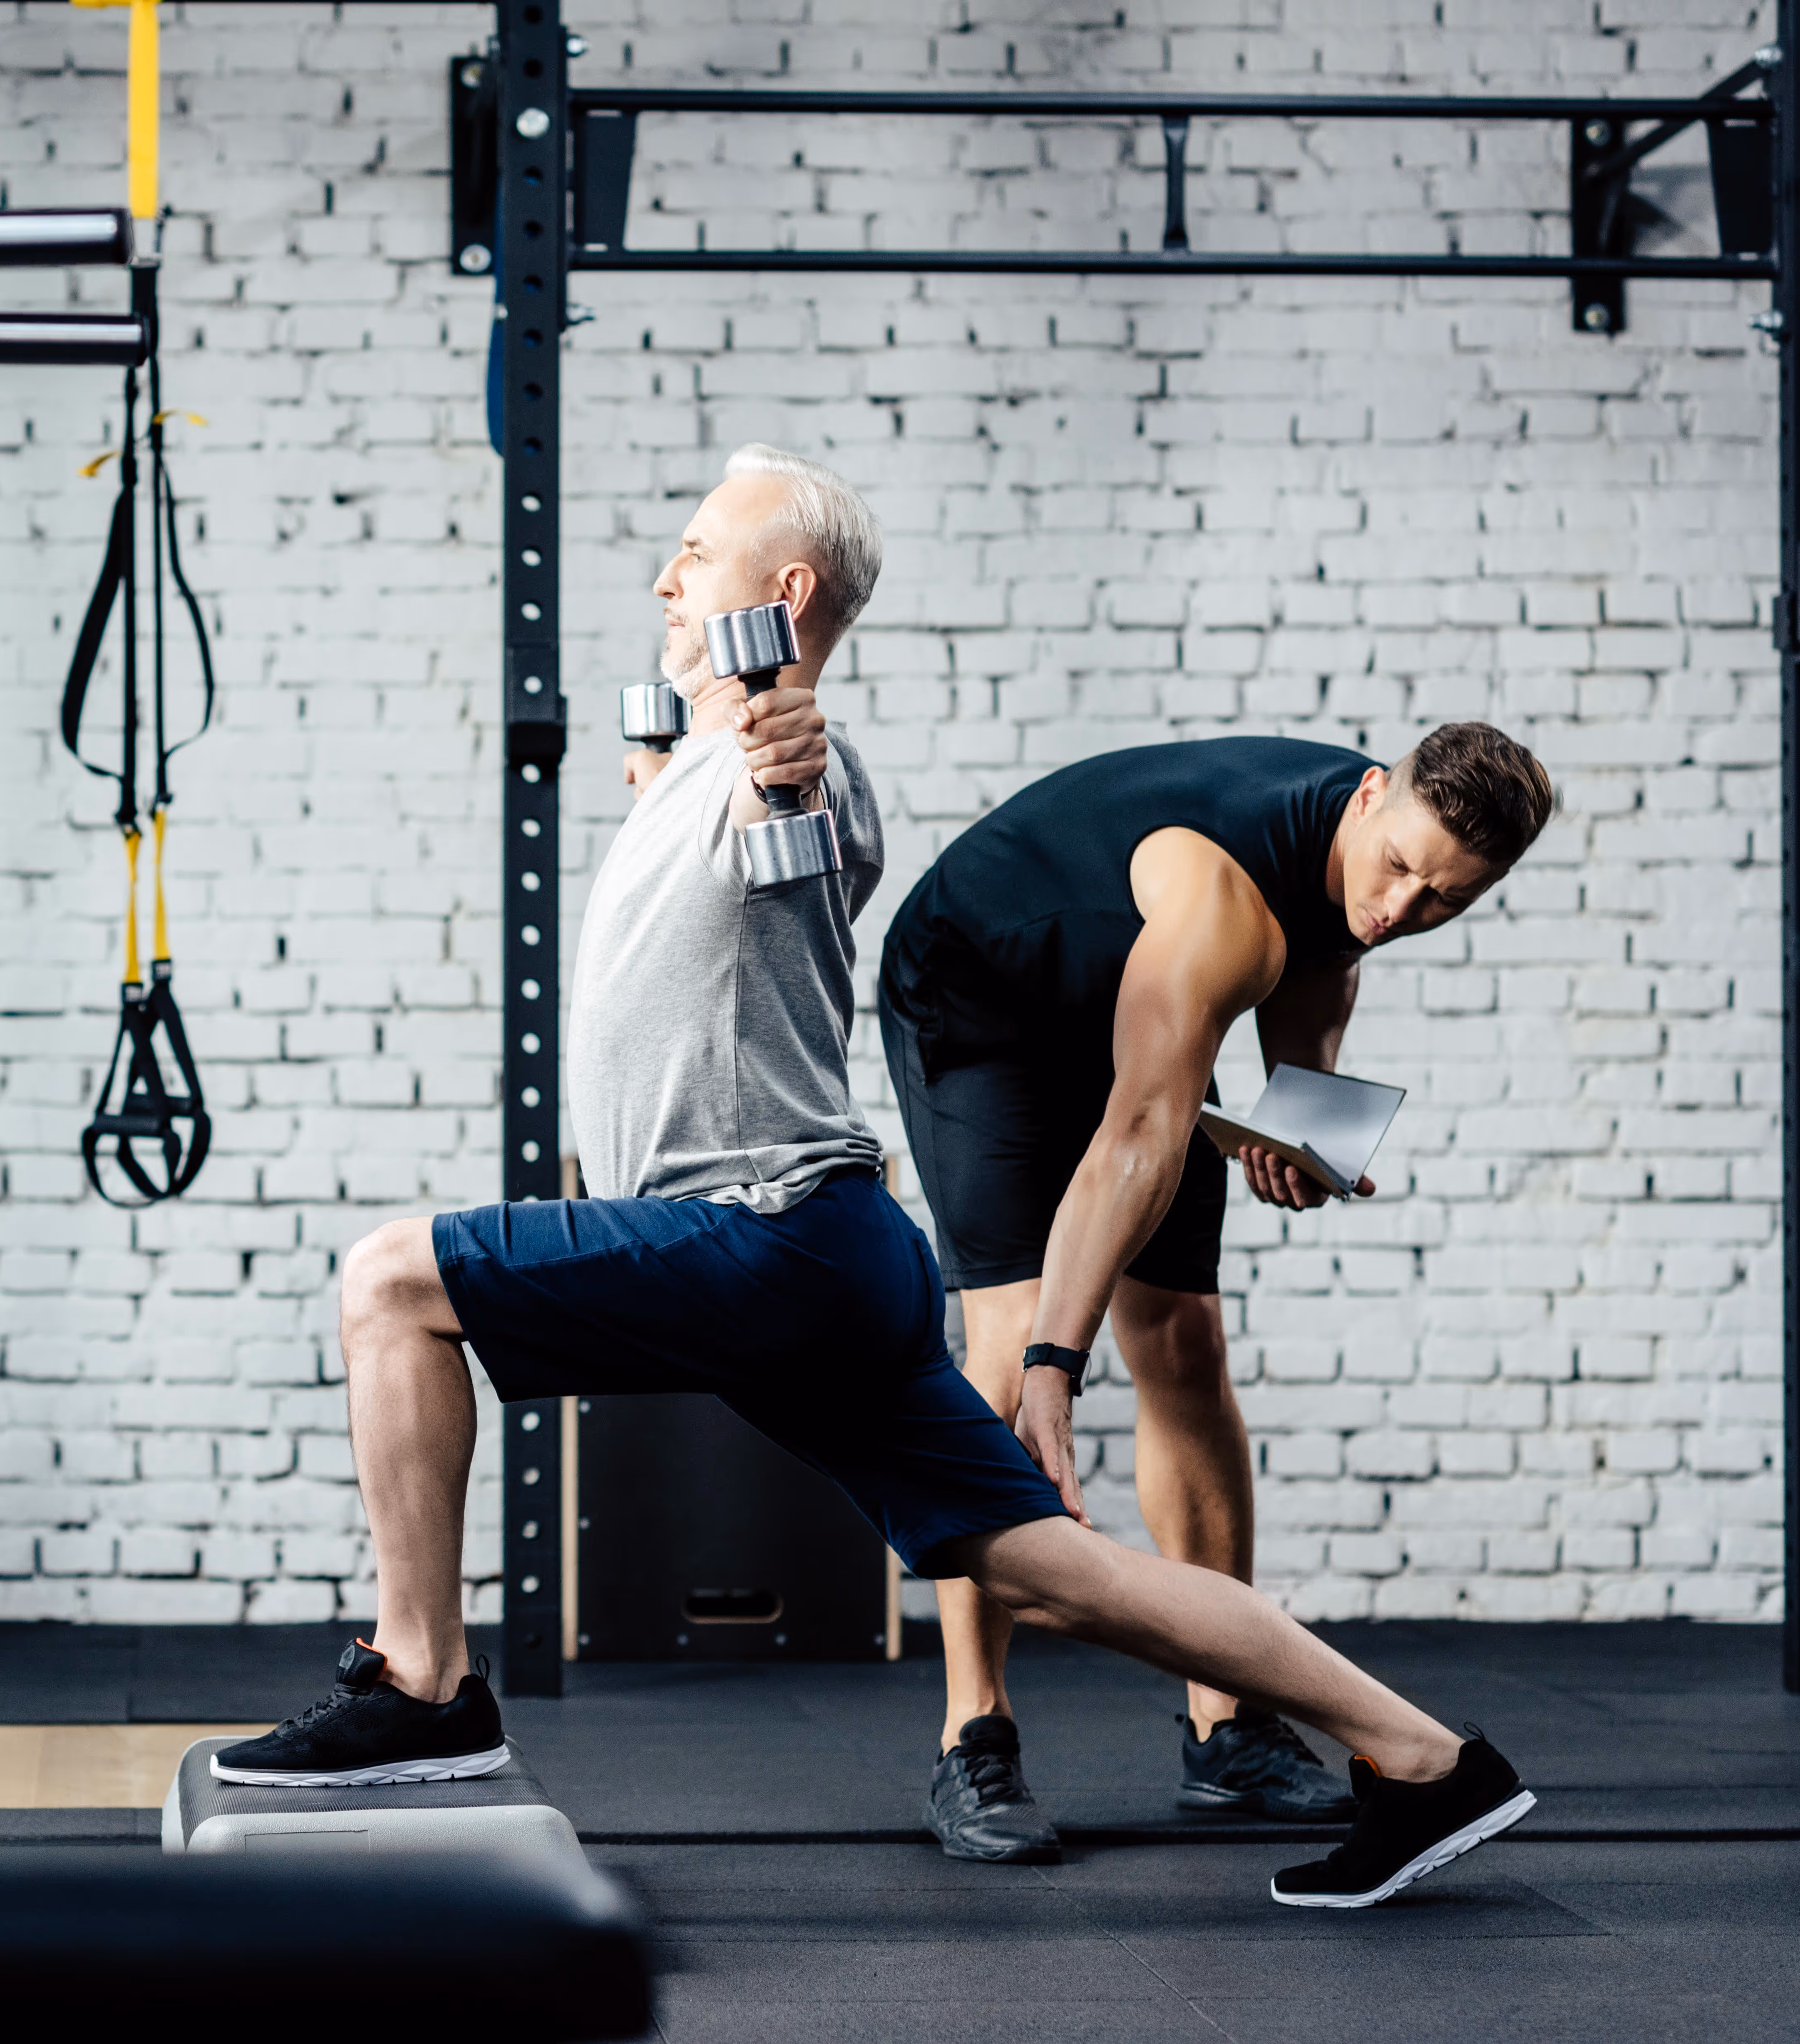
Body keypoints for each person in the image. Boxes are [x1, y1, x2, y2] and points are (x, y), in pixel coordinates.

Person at [211, 445, 1537, 1908]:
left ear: (781, 601)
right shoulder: (695, 768)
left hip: (772, 1234)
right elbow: (717, 805)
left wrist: (1078, 1334)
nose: (667, 571)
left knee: (394, 1281)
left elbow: (809, 811)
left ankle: (424, 1683)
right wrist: (675, 749)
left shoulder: (798, 767)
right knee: (1050, 1564)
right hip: (857, 1215)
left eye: (697, 551)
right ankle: (1423, 1757)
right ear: (1368, 803)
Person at [878, 723, 1559, 1862]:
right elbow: (1143, 1127)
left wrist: (1302, 1141)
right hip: (981, 1000)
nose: (1401, 911)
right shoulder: (1224, 902)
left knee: (1186, 1345)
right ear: (1371, 796)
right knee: (1004, 1350)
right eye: (1398, 870)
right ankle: (975, 1735)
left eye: (1446, 901)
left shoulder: (1365, 881)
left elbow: (1304, 1023)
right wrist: (1056, 1363)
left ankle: (1228, 1727)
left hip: (1143, 1014)